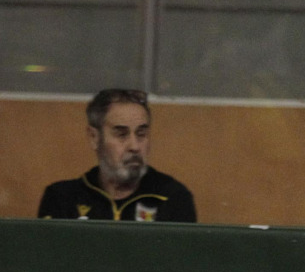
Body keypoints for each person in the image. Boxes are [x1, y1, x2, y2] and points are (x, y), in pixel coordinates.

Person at [38, 89, 197, 223]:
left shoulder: (172, 197)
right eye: (121, 135)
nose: (134, 147)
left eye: (141, 134)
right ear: (94, 138)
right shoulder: (62, 198)